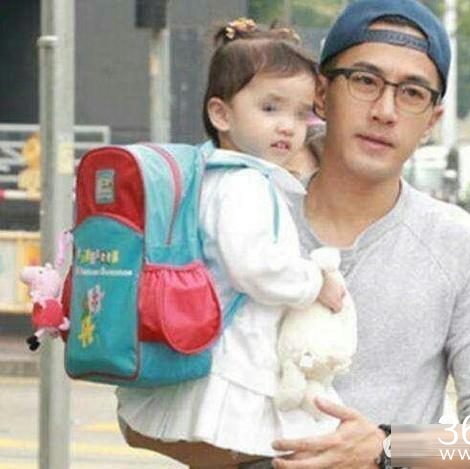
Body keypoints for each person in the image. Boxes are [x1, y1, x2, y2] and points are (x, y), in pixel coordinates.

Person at [269, 1, 470, 468]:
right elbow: (147, 417)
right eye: (365, 81)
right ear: (321, 94)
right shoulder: (250, 222)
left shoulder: (462, 244)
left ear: (432, 120)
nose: (385, 111)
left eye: (412, 93)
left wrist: (385, 448)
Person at [116, 19, 346, 468]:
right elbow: (255, 267)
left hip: (209, 349)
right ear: (221, 114)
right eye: (270, 108)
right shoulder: (246, 184)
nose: (288, 126)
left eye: (301, 114)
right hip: (236, 356)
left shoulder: (209, 176)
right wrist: (315, 282)